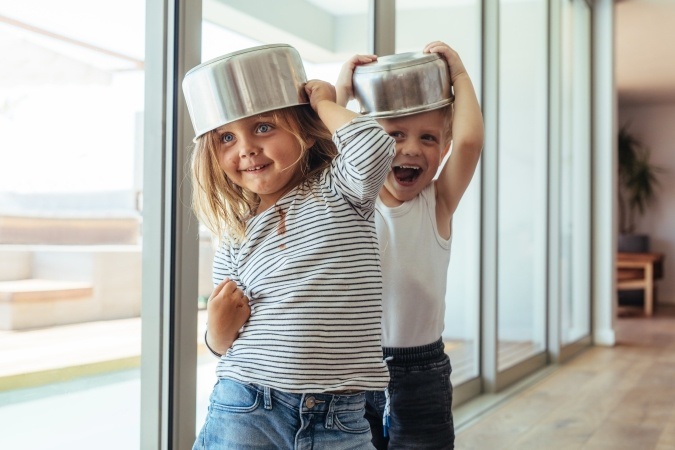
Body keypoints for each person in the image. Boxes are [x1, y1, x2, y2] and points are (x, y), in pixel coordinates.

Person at [184, 45, 396, 450]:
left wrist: (322, 103)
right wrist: (214, 332)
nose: (245, 147)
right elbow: (225, 335)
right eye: (227, 137)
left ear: (303, 127)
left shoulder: (340, 189)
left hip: (342, 413)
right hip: (248, 403)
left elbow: (372, 145)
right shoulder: (235, 230)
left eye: (264, 127)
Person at [335, 41, 484, 449]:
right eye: (394, 135)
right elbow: (326, 145)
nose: (412, 148)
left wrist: (460, 75)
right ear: (365, 143)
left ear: (444, 147)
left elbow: (470, 141)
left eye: (429, 138)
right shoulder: (350, 199)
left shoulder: (437, 203)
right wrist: (340, 93)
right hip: (354, 372)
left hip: (422, 373)